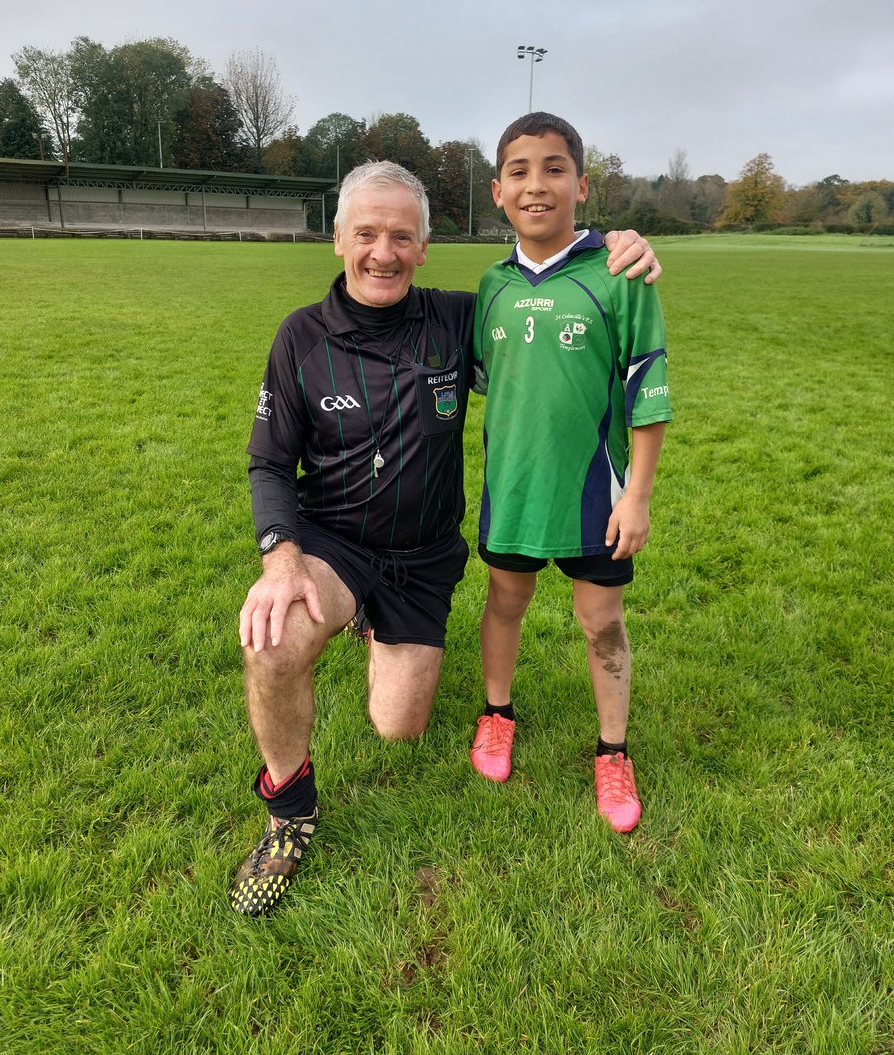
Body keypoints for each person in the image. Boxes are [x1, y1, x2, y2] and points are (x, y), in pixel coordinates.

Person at [232, 160, 661, 915]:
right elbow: (268, 459)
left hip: (422, 560)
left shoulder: (460, 319)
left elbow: (549, 313)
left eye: (402, 236)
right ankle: (290, 811)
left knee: (398, 730)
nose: (383, 253)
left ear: (424, 247)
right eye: (366, 234)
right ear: (338, 238)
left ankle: (376, 627)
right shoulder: (299, 338)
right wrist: (280, 556)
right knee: (271, 641)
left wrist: (622, 245)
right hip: (330, 543)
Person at [469, 113, 672, 834]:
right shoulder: (490, 286)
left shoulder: (620, 275)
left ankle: (612, 751)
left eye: (554, 169)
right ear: (498, 191)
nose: (537, 185)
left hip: (597, 497)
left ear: (581, 186)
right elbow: (490, 382)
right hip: (515, 492)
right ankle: (497, 714)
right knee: (504, 602)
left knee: (600, 622)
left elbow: (647, 395)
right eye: (519, 171)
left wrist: (638, 497)